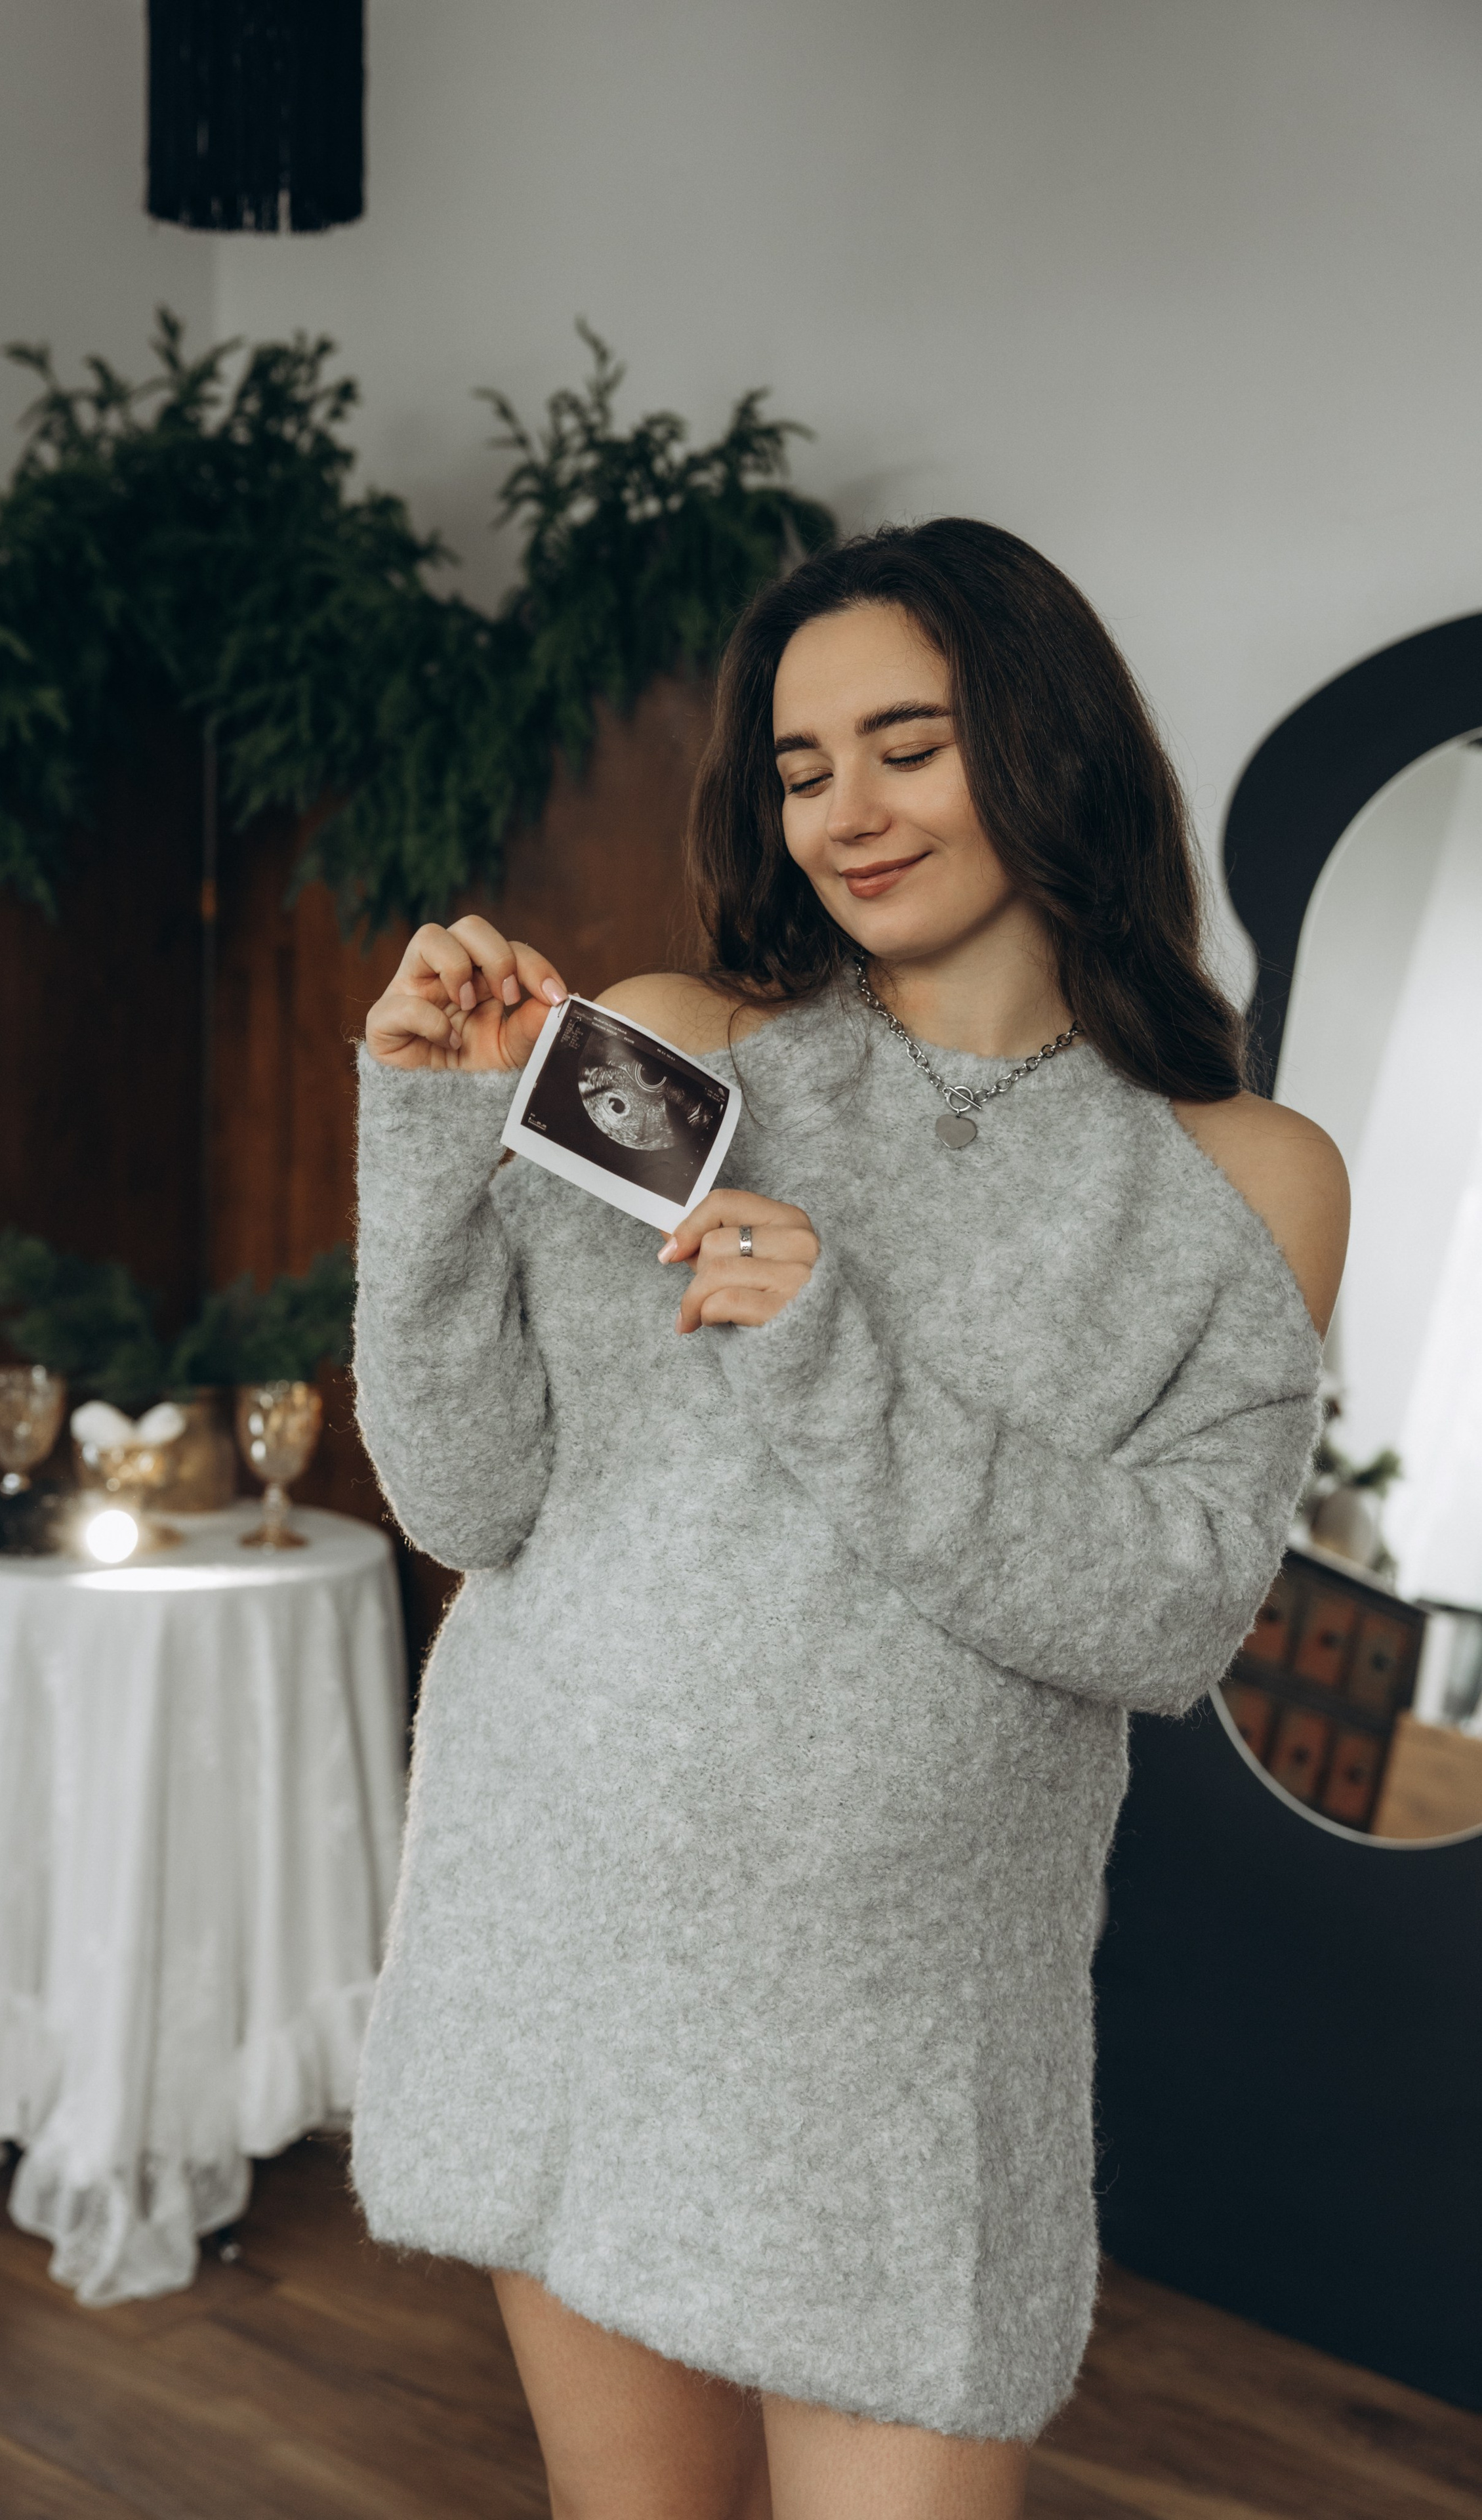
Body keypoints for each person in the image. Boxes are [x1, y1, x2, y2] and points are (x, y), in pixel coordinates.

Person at [351, 520, 1348, 2520]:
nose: (848, 814)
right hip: (571, 1930)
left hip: (899, 2042)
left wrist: (834, 1354)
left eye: (910, 742)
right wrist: (430, 1140)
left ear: (1049, 744)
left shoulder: (1243, 1180)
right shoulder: (673, 1044)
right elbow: (475, 1499)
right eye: (804, 768)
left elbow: (1163, 1614)